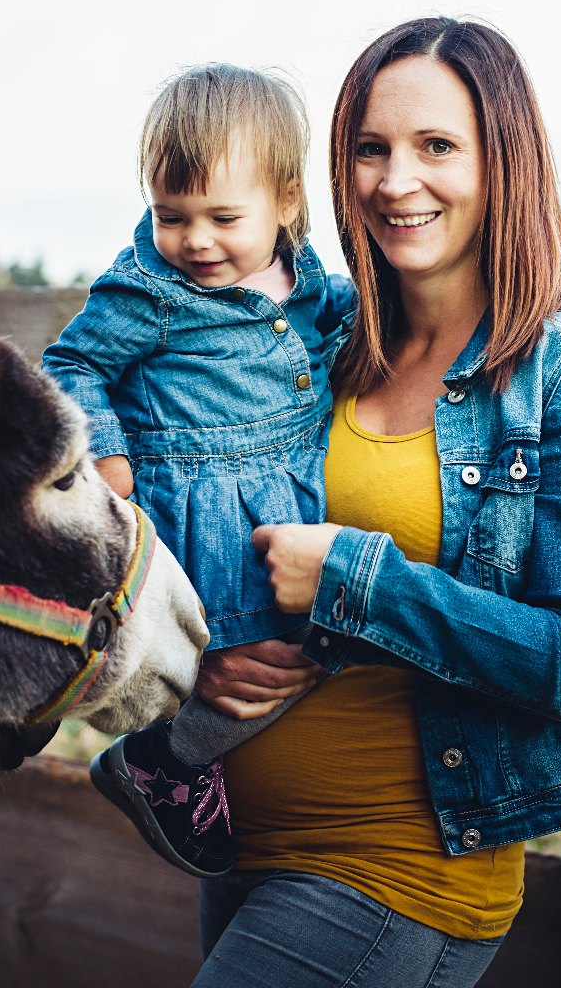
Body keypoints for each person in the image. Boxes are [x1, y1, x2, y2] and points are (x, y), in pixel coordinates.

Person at [188, 17, 561, 988]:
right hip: (239, 846)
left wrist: (355, 578)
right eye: (371, 149)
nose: (395, 181)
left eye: (437, 145)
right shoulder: (317, 347)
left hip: (398, 872)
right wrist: (210, 653)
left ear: (504, 163)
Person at [42, 62, 356, 879]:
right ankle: (168, 761)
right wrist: (107, 456)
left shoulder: (309, 282)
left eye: (224, 217)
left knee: (322, 641)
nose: (196, 241)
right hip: (206, 518)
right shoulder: (150, 290)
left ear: (287, 201)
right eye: (171, 215)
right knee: (272, 661)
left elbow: (343, 327)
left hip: (285, 506)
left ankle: (178, 758)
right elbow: (72, 362)